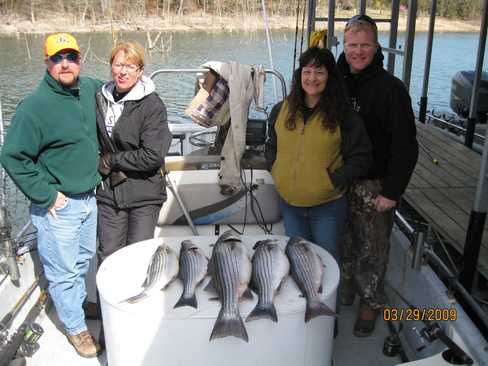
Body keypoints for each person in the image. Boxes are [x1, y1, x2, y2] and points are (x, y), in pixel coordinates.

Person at [0, 33, 102, 358]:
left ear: (79, 59)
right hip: (59, 206)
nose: (65, 64)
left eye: (70, 56)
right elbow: (12, 155)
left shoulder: (88, 88)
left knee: (84, 260)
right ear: (46, 62)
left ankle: (77, 303)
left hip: (90, 198)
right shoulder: (34, 106)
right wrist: (45, 194)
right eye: (57, 58)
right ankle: (76, 328)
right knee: (63, 271)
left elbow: (122, 85)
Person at [337, 14, 419, 337]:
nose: (358, 52)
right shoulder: (334, 83)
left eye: (365, 45)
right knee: (343, 239)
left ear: (376, 46)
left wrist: (392, 191)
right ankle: (346, 286)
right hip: (339, 178)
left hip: (375, 183)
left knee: (372, 247)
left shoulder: (392, 90)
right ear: (343, 46)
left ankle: (370, 302)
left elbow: (406, 147)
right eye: (352, 45)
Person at [266, 46, 371, 261]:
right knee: (298, 261)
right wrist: (276, 170)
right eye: (307, 71)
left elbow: (362, 158)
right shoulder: (281, 110)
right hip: (290, 205)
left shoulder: (344, 115)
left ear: (330, 77)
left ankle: (330, 297)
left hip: (327, 208)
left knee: (327, 262)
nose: (312, 78)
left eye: (320, 72)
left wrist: (331, 181)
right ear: (299, 75)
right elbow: (271, 146)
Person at [95, 41, 171, 263]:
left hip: (144, 194)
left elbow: (153, 155)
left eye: (130, 66)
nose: (123, 71)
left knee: (137, 257)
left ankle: (136, 298)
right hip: (110, 194)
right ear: (111, 67)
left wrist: (113, 160)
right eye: (118, 65)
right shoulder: (100, 98)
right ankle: (107, 299)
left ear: (140, 71)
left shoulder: (152, 105)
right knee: (108, 256)